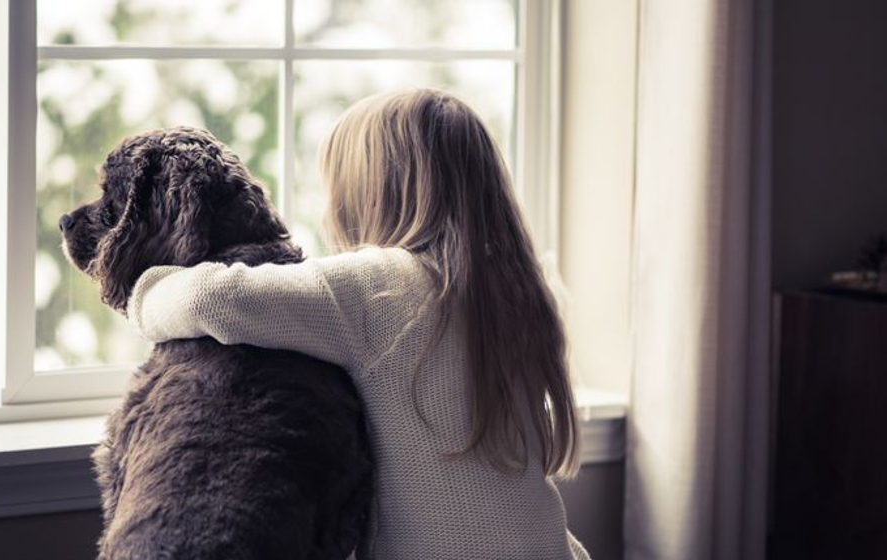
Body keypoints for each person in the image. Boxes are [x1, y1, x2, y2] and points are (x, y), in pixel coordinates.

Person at [126, 89, 590, 559]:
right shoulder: (517, 288)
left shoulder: (382, 286)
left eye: (335, 190)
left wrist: (140, 293)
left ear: (371, 195)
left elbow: (213, 297)